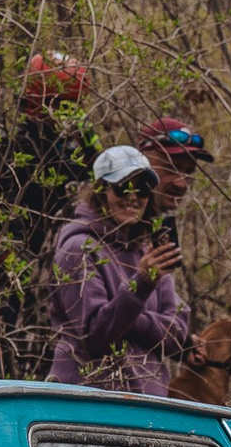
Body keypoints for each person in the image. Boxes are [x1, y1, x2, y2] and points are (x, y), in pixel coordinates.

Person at [0, 53, 101, 369]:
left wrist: (89, 143)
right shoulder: (3, 152)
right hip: (14, 280)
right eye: (65, 105)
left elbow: (107, 188)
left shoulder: (72, 159)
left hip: (63, 281)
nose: (70, 114)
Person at [48, 145, 189, 393]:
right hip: (91, 398)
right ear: (102, 191)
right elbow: (95, 337)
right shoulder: (78, 248)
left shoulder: (147, 253)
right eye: (123, 186)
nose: (133, 197)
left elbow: (177, 334)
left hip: (148, 405)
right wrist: (141, 285)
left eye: (143, 188)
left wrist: (131, 322)